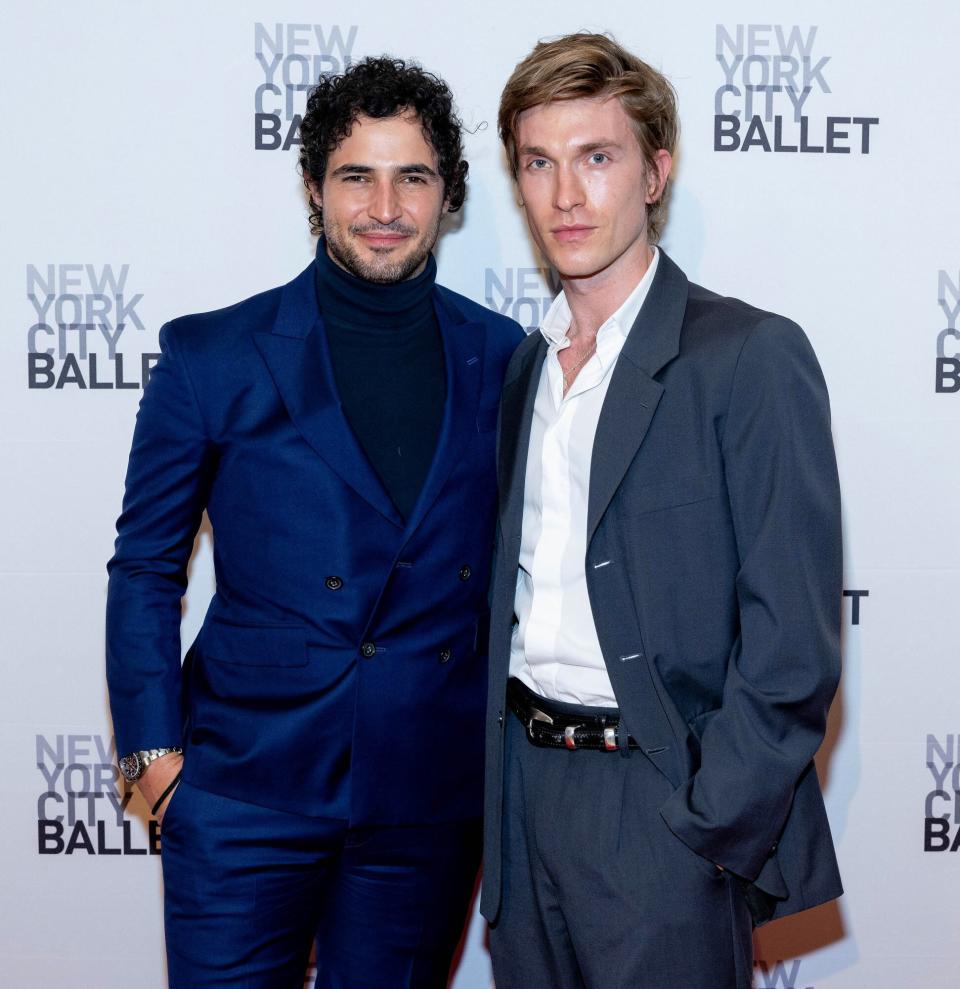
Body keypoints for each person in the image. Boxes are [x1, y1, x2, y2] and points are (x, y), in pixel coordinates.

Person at [106, 56, 523, 988]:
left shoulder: (504, 358)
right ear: (312, 187)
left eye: (412, 175)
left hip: (425, 800)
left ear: (446, 193)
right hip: (242, 791)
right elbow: (144, 567)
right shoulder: (212, 354)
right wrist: (153, 756)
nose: (385, 205)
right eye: (356, 175)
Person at [481, 32, 843, 988]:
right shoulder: (524, 366)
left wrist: (703, 821)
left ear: (655, 172)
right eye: (539, 163)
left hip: (660, 809)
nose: (566, 195)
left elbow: (794, 645)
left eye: (597, 158)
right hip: (523, 796)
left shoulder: (748, 356)